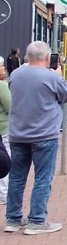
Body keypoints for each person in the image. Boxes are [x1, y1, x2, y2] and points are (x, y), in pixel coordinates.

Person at [4, 41, 67, 234]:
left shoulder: (16, 74)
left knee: (17, 178)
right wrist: (59, 76)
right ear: (46, 57)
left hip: (18, 133)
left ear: (27, 56)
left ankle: (13, 219)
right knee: (43, 178)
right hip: (44, 134)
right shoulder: (51, 77)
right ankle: (37, 220)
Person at [0, 65, 11, 204]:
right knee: (4, 160)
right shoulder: (2, 86)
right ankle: (3, 194)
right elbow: (10, 106)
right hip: (3, 128)